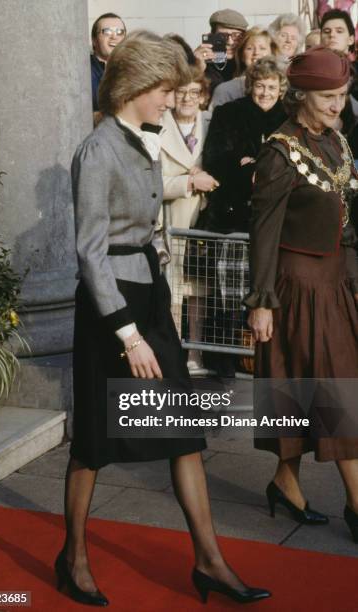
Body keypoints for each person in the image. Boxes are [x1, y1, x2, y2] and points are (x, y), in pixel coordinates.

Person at [57, 33, 271, 606]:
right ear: (136, 86)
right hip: (112, 307)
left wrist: (152, 302)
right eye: (164, 91)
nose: (170, 101)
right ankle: (73, 557)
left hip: (148, 293)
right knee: (97, 441)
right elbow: (90, 253)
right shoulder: (98, 150)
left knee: (182, 431)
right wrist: (128, 335)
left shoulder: (144, 137)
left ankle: (210, 561)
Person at [245, 46, 358, 543]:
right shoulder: (279, 150)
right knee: (336, 392)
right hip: (296, 287)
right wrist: (262, 301)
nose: (338, 104)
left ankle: (285, 484)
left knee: (304, 387)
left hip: (337, 282)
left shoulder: (336, 142)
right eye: (329, 96)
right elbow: (263, 232)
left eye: (343, 94)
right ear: (303, 95)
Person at [202, 56, 287, 379]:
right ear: (250, 85)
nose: (266, 92)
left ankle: (266, 360)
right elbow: (217, 160)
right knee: (230, 295)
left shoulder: (288, 117)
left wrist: (251, 165)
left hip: (276, 221)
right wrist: (251, 171)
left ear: (282, 89)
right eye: (260, 86)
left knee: (272, 295)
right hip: (233, 217)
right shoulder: (229, 114)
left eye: (272, 86)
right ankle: (226, 363)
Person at [160, 65, 217, 371]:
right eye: (180, 92)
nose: (187, 98)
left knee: (199, 289)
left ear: (202, 96)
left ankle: (195, 353)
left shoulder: (212, 124)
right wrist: (189, 182)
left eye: (193, 92)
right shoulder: (158, 126)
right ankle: (172, 355)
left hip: (203, 220)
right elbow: (153, 182)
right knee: (172, 290)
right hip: (171, 220)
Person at [210, 27, 279, 110]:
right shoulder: (225, 90)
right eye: (250, 48)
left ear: (272, 53)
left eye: (262, 48)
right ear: (242, 55)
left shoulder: (283, 85)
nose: (256, 52)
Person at [194, 9, 248, 94]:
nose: (230, 42)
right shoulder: (202, 60)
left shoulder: (249, 61)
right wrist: (195, 70)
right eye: (223, 36)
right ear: (211, 36)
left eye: (237, 36)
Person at [90, 13, 126, 112]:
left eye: (120, 32)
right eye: (107, 32)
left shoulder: (133, 69)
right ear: (94, 40)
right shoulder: (84, 69)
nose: (114, 37)